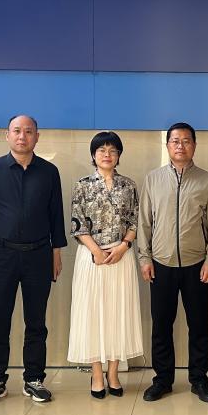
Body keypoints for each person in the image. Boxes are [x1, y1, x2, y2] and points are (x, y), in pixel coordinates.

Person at [0, 115, 66, 405]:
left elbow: (56, 215)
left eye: (28, 131)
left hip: (39, 254)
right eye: (17, 131)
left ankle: (34, 378)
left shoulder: (49, 172)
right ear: (7, 135)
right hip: (1, 254)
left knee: (36, 320)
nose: (22, 136)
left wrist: (56, 252)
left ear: (37, 137)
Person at [137, 122, 208, 403]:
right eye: (175, 141)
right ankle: (162, 379)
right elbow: (144, 222)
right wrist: (144, 257)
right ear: (167, 146)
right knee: (161, 325)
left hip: (196, 265)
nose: (180, 146)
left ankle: (199, 380)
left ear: (194, 146)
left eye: (186, 141)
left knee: (198, 325)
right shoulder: (153, 179)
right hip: (160, 264)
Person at [67, 131, 144, 398]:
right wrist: (96, 251)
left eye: (113, 150)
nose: (107, 154)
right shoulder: (83, 185)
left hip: (121, 257)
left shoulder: (129, 186)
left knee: (117, 313)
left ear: (119, 155)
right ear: (93, 155)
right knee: (92, 314)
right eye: (102, 150)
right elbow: (77, 223)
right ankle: (97, 374)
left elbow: (135, 221)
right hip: (91, 259)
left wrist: (123, 247)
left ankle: (113, 373)